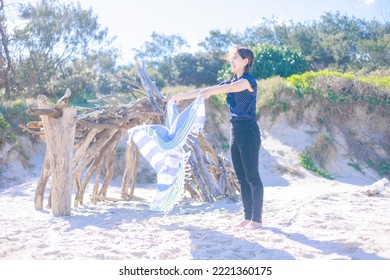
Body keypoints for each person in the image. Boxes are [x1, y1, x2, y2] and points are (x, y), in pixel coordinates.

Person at [170, 46, 264, 229]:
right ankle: (247, 216)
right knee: (242, 177)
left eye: (236, 57)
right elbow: (205, 90)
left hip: (249, 132)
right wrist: (181, 96)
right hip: (235, 132)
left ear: (246, 61)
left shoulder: (248, 81)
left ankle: (257, 219)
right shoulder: (231, 81)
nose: (232, 60)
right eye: (231, 57)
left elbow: (229, 88)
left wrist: (210, 92)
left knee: (252, 176)